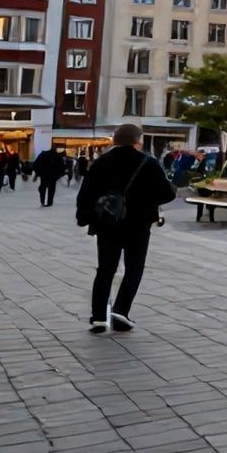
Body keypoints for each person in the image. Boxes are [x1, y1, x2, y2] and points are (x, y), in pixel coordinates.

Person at [76, 124, 177, 334]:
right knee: (134, 268)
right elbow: (168, 193)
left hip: (107, 224)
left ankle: (98, 319)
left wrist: (84, 217)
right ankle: (121, 312)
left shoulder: (101, 162)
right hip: (138, 225)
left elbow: (86, 193)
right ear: (137, 141)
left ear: (115, 140)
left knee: (105, 270)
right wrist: (146, 201)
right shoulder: (148, 162)